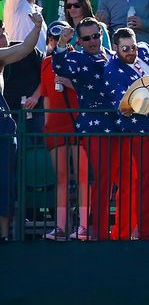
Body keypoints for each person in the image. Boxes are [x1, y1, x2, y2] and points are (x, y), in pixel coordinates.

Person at [51, 17, 114, 240]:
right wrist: (61, 44)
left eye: (96, 36)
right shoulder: (77, 59)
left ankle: (116, 227)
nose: (93, 41)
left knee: (118, 179)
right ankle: (95, 228)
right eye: (86, 38)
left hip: (120, 126)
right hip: (94, 128)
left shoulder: (113, 57)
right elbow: (58, 66)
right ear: (80, 40)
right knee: (103, 178)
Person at [102, 27, 149, 239]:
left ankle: (147, 229)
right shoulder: (112, 69)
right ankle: (141, 232)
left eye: (134, 46)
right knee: (141, 182)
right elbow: (126, 104)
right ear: (115, 48)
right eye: (125, 48)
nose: (131, 52)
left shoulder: (145, 52)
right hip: (136, 132)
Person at [29, 22, 90, 240]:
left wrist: (69, 83)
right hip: (55, 127)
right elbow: (46, 96)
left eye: (62, 36)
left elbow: (89, 92)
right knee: (61, 178)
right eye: (53, 38)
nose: (56, 41)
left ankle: (83, 226)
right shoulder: (45, 63)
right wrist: (47, 125)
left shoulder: (79, 59)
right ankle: (61, 226)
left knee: (83, 177)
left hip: (78, 124)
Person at [0, 13, 42, 241]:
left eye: (3, 30)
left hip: (3, 129)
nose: (2, 34)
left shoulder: (2, 57)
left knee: (5, 183)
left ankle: (5, 237)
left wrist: (37, 26)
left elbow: (26, 48)